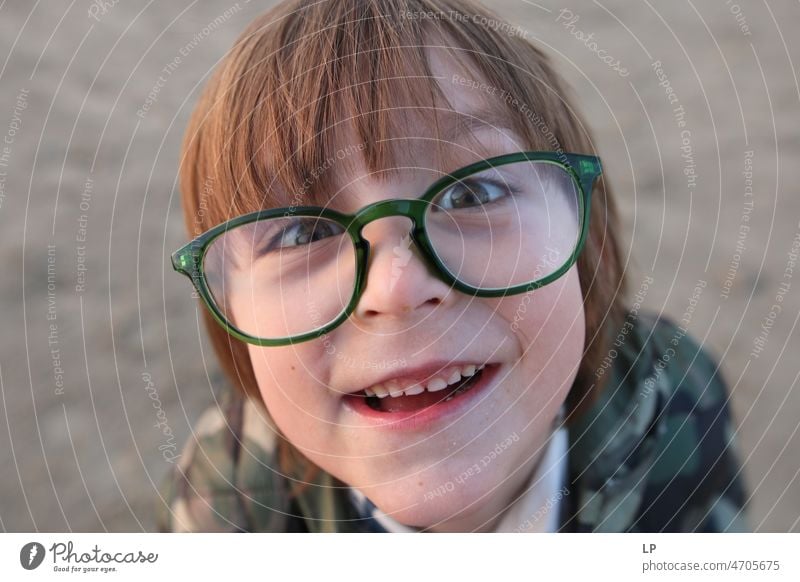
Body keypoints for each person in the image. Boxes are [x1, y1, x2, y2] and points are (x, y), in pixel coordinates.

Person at [156, 0, 747, 532]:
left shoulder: (675, 399)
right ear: (228, 316)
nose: (397, 285)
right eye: (304, 233)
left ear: (582, 233)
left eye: (472, 195)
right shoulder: (227, 508)